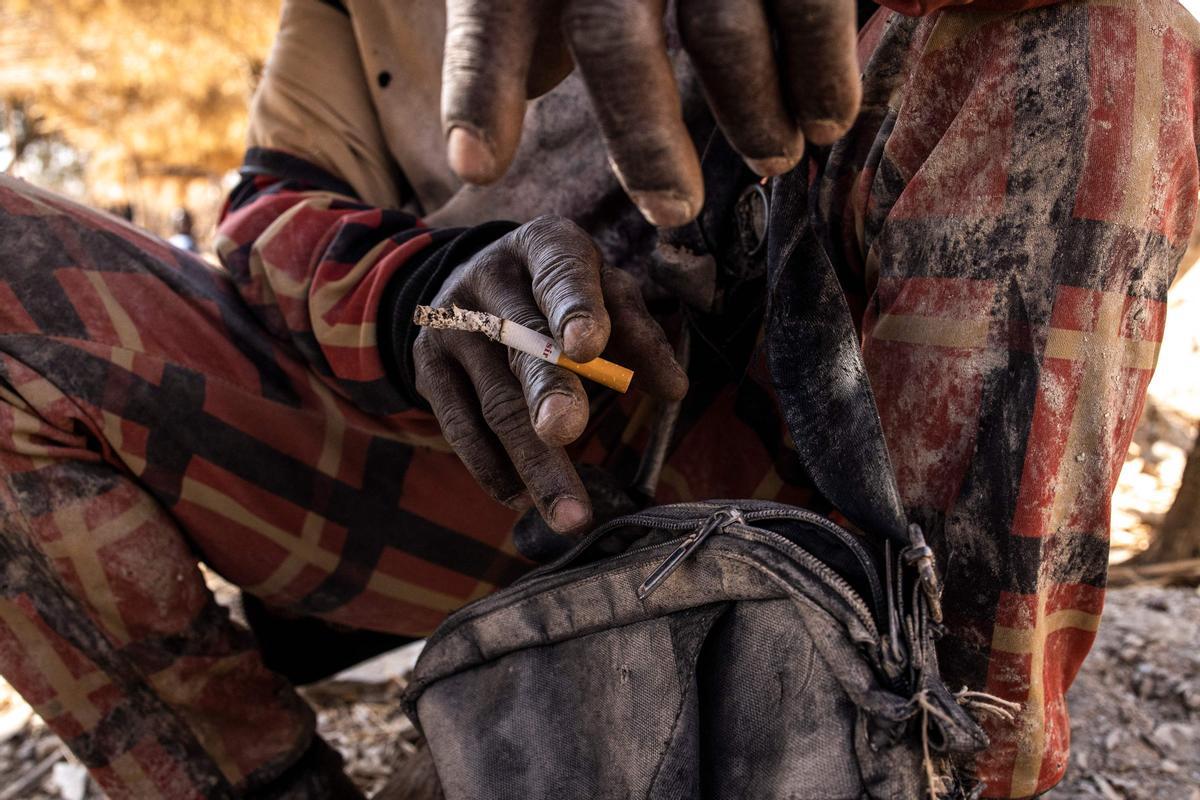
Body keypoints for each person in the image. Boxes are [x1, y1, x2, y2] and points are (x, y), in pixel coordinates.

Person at [0, 3, 1195, 800]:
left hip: (819, 468)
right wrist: (427, 290)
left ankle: (937, 755)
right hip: (512, 482)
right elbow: (268, 220)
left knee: (1107, 36)